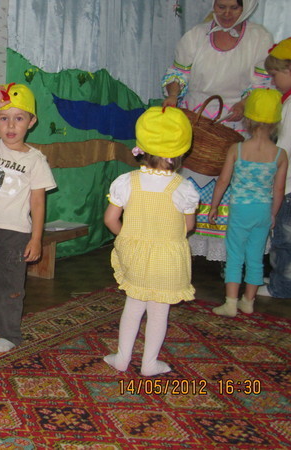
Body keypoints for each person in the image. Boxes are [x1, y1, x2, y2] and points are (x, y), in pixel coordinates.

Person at [162, 0, 273, 263]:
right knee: (189, 178)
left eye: (234, 7)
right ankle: (183, 247)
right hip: (197, 120)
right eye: (221, 7)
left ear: (245, 8)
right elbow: (178, 73)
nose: (226, 13)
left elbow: (262, 82)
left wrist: (244, 104)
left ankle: (228, 255)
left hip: (236, 122)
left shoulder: (259, 38)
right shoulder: (196, 36)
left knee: (231, 181)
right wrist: (173, 95)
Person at [103, 107, 199, 377]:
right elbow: (189, 226)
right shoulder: (183, 187)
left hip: (134, 255)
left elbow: (110, 219)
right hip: (167, 259)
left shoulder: (126, 181)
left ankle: (122, 358)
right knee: (159, 312)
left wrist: (127, 237)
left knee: (133, 306)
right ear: (181, 150)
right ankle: (149, 363)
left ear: (141, 146)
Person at [0, 83, 56, 353]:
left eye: (19, 118)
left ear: (31, 122)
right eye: (3, 118)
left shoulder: (35, 160)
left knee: (10, 284)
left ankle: (10, 333)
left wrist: (36, 239)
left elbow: (38, 202)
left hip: (15, 233)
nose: (11, 125)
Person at [209, 89, 288, 317]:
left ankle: (230, 303)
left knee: (235, 255)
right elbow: (279, 190)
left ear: (248, 120)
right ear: (276, 122)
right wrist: (273, 214)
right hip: (263, 210)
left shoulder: (237, 149)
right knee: (255, 257)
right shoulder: (280, 154)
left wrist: (214, 206)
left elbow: (223, 181)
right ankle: (248, 301)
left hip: (240, 210)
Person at [257, 36, 291, 299]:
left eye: (274, 75)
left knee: (283, 238)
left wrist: (269, 177)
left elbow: (283, 149)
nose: (272, 81)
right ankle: (290, 278)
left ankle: (281, 287)